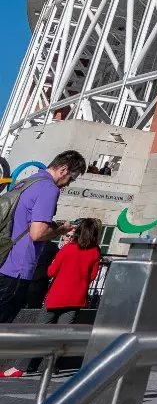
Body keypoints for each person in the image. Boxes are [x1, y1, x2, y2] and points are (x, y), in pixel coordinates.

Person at [0, 152, 87, 356]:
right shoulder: (48, 189)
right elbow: (38, 233)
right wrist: (61, 229)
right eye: (71, 178)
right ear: (63, 170)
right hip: (17, 268)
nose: (68, 184)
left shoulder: (27, 182)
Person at [23, 219, 103, 375]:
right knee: (63, 334)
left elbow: (51, 271)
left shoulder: (67, 249)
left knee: (40, 331)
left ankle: (30, 364)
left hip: (56, 296)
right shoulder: (95, 252)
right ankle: (52, 366)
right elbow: (93, 276)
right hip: (76, 298)